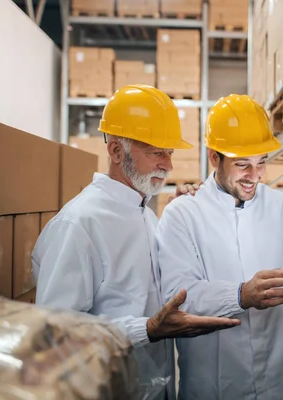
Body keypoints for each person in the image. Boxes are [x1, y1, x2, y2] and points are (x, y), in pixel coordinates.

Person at [31, 85, 240, 400]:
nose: (168, 165)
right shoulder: (79, 224)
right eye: (156, 152)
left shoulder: (143, 214)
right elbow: (57, 334)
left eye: (169, 153)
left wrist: (178, 218)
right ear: (116, 151)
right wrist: (150, 329)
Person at [155, 94, 283, 399]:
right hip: (215, 387)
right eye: (242, 165)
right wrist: (241, 294)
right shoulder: (183, 214)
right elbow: (178, 298)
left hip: (278, 383)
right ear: (214, 157)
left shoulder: (281, 206)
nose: (254, 176)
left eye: (261, 163)